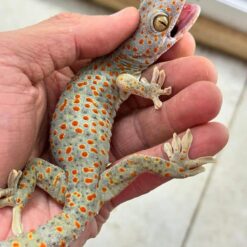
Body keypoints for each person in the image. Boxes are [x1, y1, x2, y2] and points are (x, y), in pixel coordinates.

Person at [0, 8, 228, 246]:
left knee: (39, 167)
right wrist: (150, 91)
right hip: (85, 185)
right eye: (160, 22)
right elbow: (124, 81)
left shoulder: (114, 66)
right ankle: (174, 165)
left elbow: (123, 81)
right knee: (136, 162)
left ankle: (19, 195)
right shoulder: (122, 71)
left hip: (70, 184)